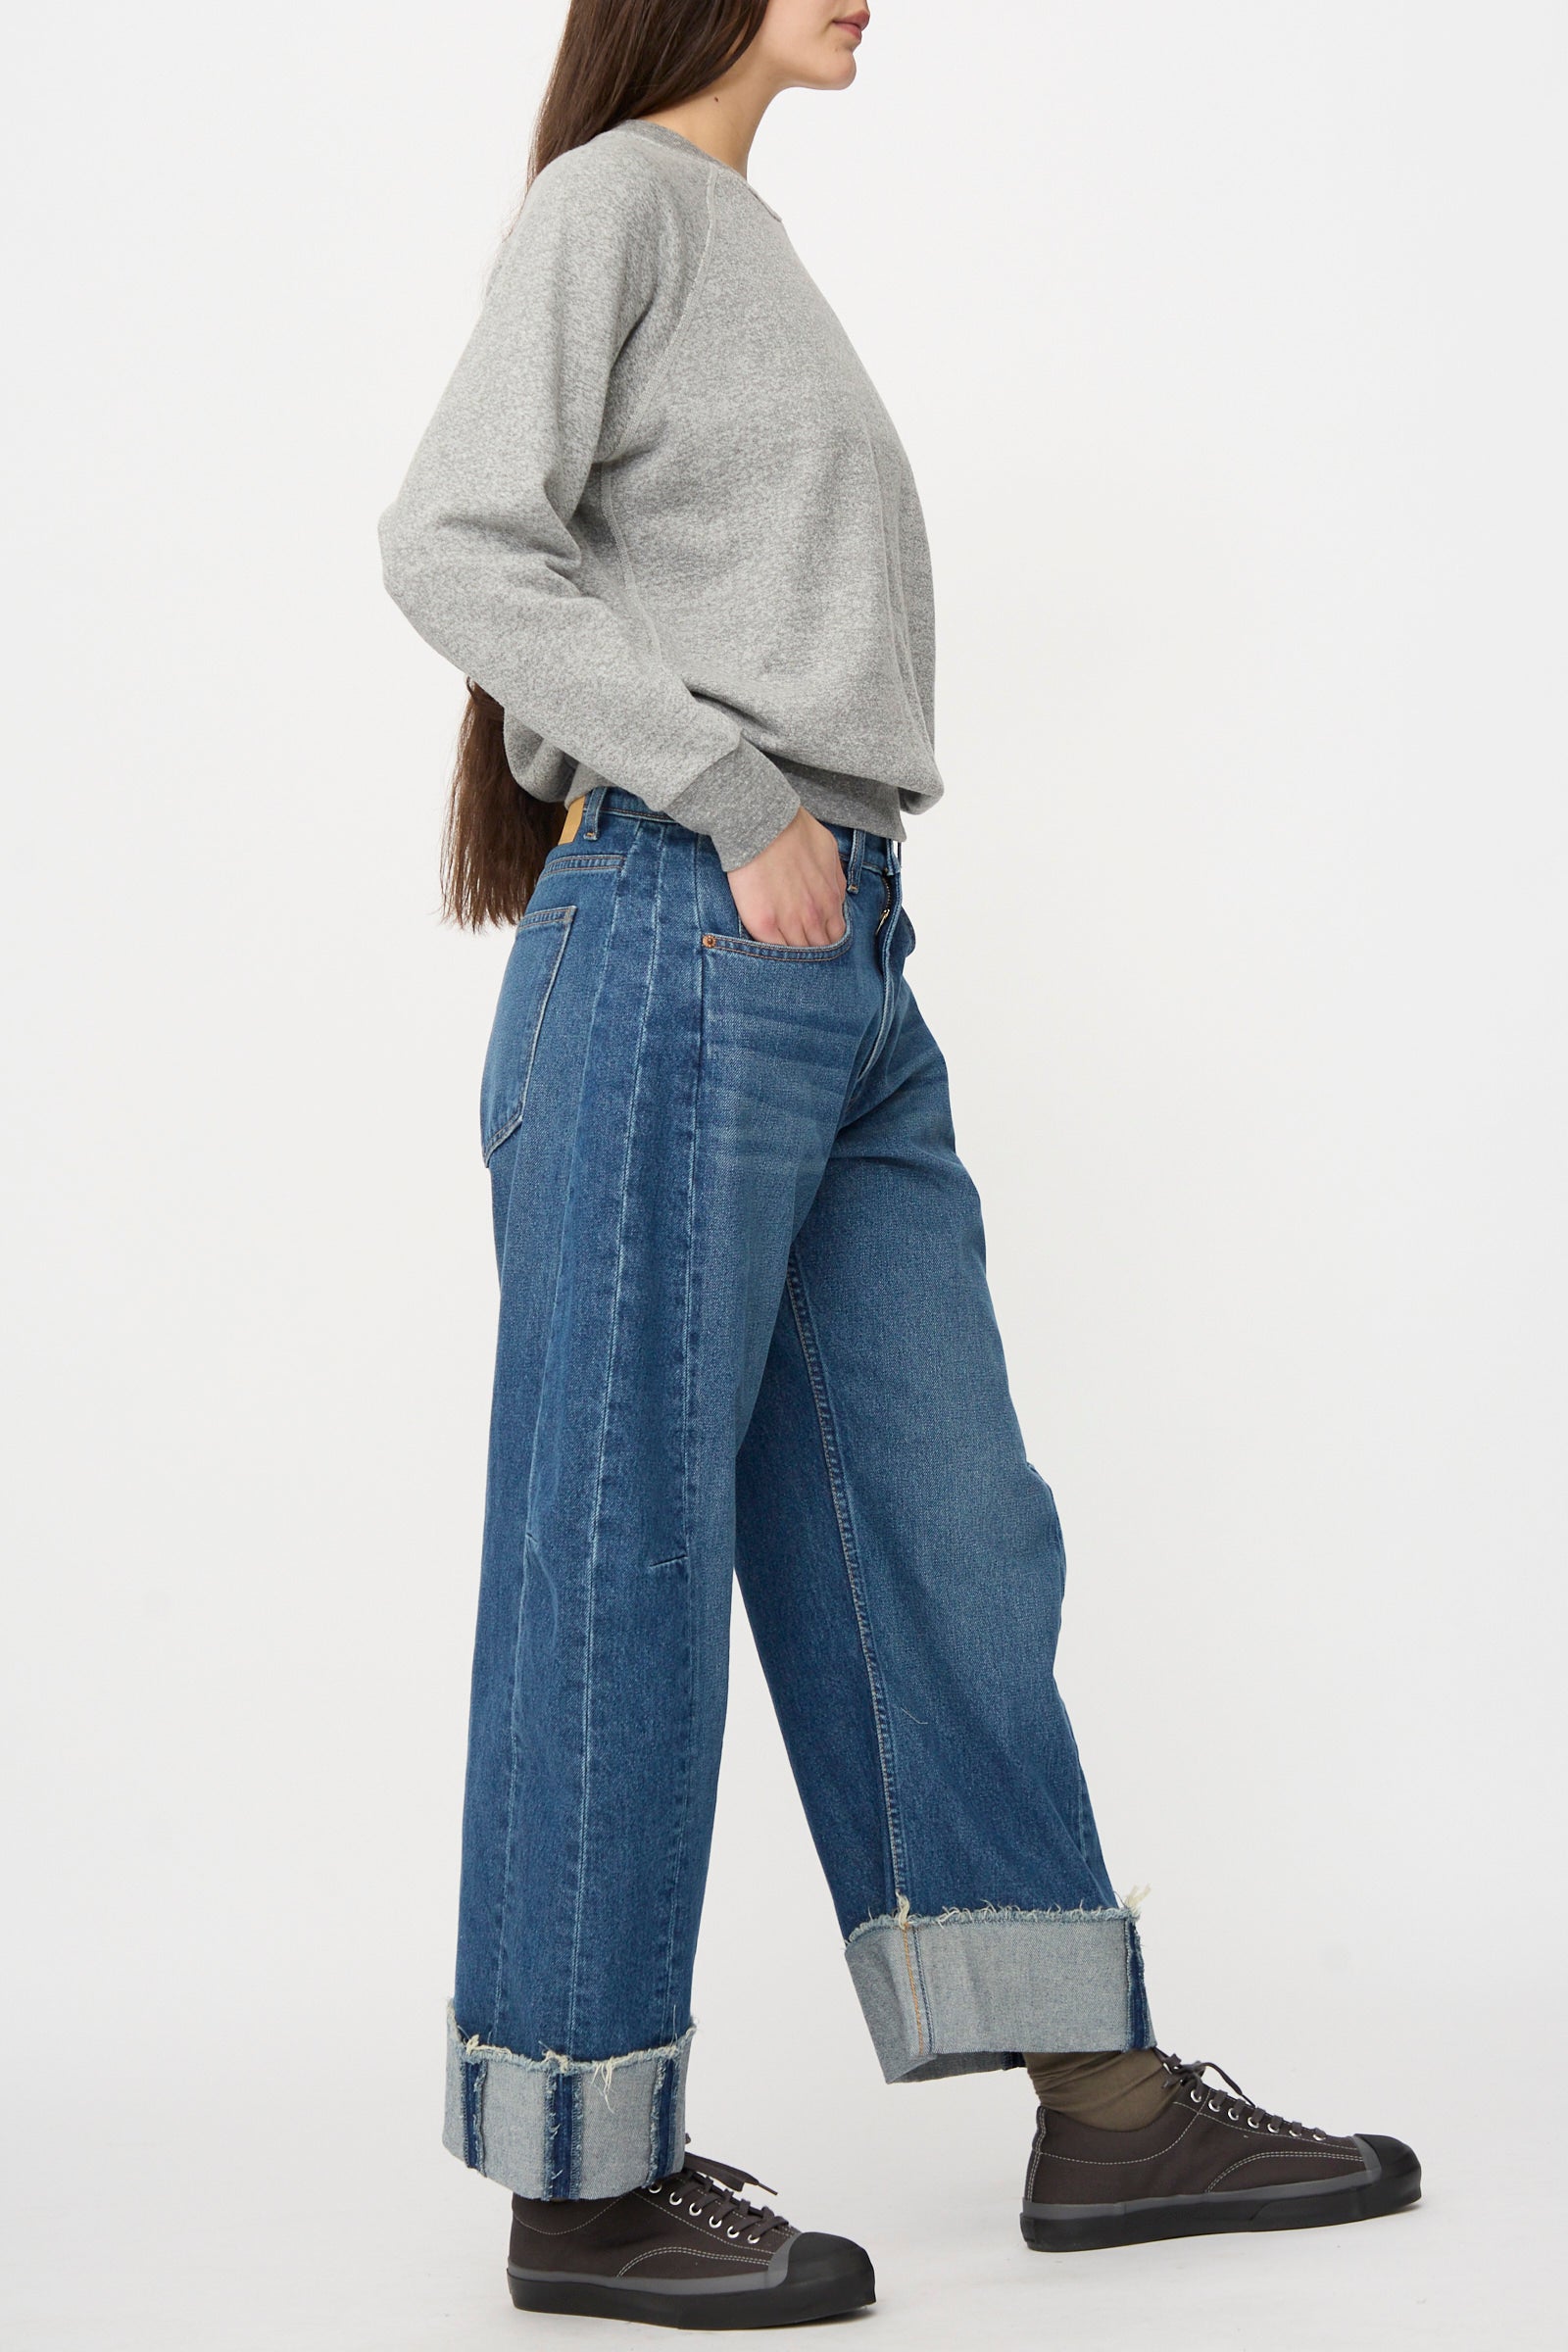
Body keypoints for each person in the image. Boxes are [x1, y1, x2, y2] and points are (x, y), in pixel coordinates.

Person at [378, 0, 1420, 2328]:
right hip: (681, 934)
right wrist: (736, 801)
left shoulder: (735, 233)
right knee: (614, 1544)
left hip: (837, 967)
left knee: (943, 1518)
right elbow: (450, 535)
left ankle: (1107, 2108)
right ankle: (580, 2178)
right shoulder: (618, 206)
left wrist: (805, 853)